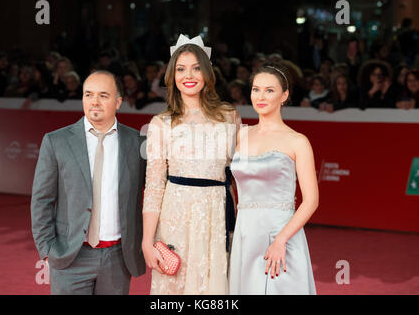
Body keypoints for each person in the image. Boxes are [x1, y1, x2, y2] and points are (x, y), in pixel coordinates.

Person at [31, 70, 146, 295]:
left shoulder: (138, 143)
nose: (94, 101)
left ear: (118, 101)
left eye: (103, 95)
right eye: (88, 94)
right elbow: (41, 199)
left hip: (118, 258)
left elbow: (151, 195)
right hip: (70, 257)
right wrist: (47, 249)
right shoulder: (56, 141)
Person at [142, 34, 241, 295]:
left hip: (217, 214)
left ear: (208, 73)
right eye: (181, 69)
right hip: (175, 216)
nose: (189, 75)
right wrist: (147, 240)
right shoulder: (160, 123)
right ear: (172, 75)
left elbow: (240, 174)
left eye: (197, 68)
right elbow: (153, 186)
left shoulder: (228, 116)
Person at [229, 62, 318, 295]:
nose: (261, 96)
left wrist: (281, 240)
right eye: (256, 89)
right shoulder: (241, 135)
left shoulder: (297, 141)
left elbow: (311, 201)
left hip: (281, 234)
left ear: (284, 95)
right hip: (245, 234)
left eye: (269, 90)